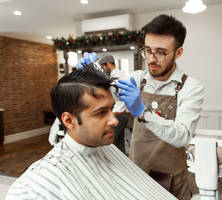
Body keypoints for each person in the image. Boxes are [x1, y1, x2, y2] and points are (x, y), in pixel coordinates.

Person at [5, 67, 177, 200]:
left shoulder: (105, 148)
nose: (114, 120)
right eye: (101, 112)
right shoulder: (37, 184)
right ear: (69, 120)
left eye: (111, 109)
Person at [116, 14, 205, 200]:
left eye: (161, 52)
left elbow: (182, 136)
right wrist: (92, 73)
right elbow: (110, 92)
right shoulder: (138, 79)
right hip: (137, 173)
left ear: (178, 53)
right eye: (147, 50)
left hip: (170, 180)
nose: (151, 59)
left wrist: (143, 112)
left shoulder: (191, 88)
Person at [99, 55, 130, 154]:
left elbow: (114, 98)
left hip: (117, 115)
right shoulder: (123, 75)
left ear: (108, 65)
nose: (103, 70)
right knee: (119, 145)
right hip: (123, 115)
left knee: (110, 146)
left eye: (102, 67)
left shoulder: (115, 78)